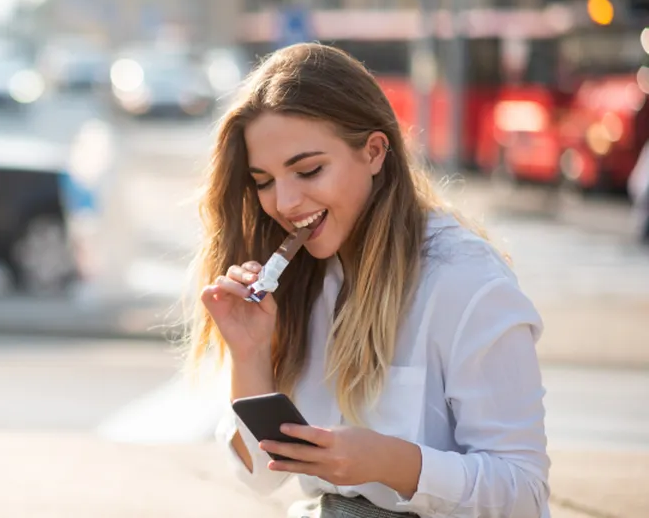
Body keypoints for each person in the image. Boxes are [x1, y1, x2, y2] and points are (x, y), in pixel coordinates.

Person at [188, 43, 549, 517]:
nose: (286, 202)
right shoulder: (303, 277)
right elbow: (256, 474)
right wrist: (250, 352)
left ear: (374, 152)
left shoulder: (466, 281)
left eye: (309, 170)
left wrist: (390, 462)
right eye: (264, 180)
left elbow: (524, 495)